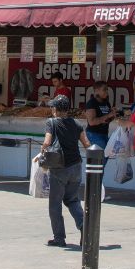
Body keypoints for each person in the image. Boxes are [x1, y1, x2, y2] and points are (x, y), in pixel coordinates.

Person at [42, 95, 90, 247]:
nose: (51, 110)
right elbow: (87, 144)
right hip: (76, 166)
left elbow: (47, 142)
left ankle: (59, 238)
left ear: (56, 109)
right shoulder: (77, 124)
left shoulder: (51, 123)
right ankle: (84, 227)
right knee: (72, 199)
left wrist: (42, 151)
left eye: (52, 107)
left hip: (59, 168)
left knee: (55, 204)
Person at [84, 81, 116, 150]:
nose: (107, 92)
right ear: (97, 90)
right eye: (104, 89)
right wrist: (108, 115)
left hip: (104, 133)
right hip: (94, 134)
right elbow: (91, 122)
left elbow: (106, 120)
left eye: (107, 89)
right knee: (101, 156)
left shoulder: (106, 102)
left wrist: (112, 116)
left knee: (107, 154)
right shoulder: (91, 103)